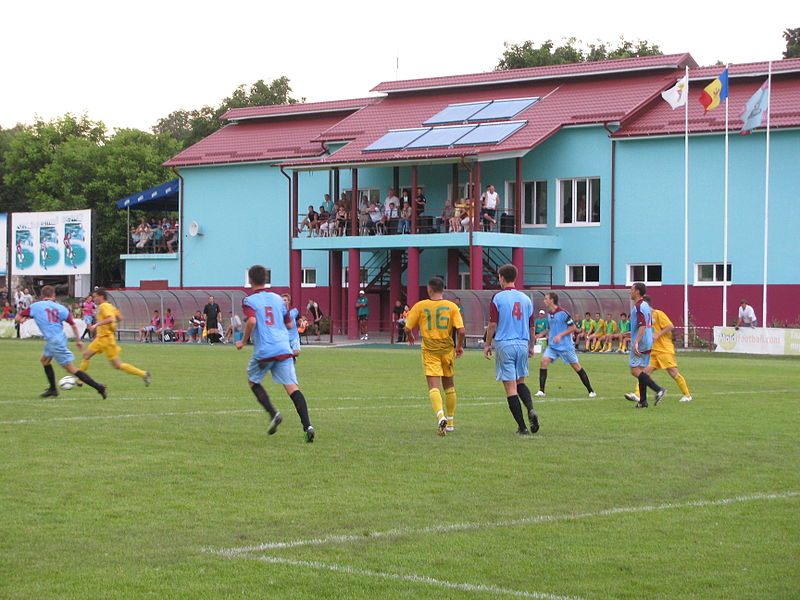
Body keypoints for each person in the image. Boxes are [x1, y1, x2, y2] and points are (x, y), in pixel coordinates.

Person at [236, 265, 315, 443]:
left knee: (253, 381)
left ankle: (273, 414)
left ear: (250, 280)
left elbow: (252, 321)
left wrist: (243, 341)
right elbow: (288, 325)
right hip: (283, 348)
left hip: (265, 350)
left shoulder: (249, 301)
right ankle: (307, 426)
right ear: (266, 279)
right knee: (293, 388)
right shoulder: (279, 300)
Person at [15, 285, 107, 398]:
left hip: (54, 341)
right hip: (59, 338)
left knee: (70, 368)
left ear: (42, 295)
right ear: (53, 296)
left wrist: (24, 318)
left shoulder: (35, 306)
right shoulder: (61, 308)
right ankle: (53, 389)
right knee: (44, 361)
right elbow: (72, 324)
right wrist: (78, 340)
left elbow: (18, 318)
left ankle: (99, 387)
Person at [404, 277, 465, 435]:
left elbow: (407, 327)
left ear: (429, 289)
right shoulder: (452, 306)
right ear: (443, 289)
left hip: (430, 349)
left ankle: (440, 416)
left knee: (433, 386)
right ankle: (450, 422)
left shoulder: (421, 306)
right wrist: (458, 347)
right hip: (447, 349)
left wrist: (410, 336)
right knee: (449, 386)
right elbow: (461, 330)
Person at [483, 265, 538, 435]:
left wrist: (487, 344)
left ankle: (522, 427)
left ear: (501, 277)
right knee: (520, 382)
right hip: (522, 343)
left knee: (510, 388)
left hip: (505, 344)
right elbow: (532, 326)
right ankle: (530, 408)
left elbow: (493, 324)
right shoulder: (526, 299)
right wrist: (531, 345)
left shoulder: (497, 297)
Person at [625, 296, 693, 404]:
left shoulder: (658, 314)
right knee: (643, 373)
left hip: (664, 350)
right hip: (653, 352)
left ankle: (687, 395)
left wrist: (658, 334)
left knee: (673, 373)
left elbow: (670, 326)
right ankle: (637, 395)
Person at [80, 288, 151, 386]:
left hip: (105, 339)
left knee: (117, 365)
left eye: (95, 296)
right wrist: (111, 326)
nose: (93, 298)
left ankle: (143, 374)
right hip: (103, 338)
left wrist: (97, 325)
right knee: (86, 355)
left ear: (101, 296)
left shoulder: (104, 306)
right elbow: (119, 318)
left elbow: (111, 318)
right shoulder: (110, 306)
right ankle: (79, 380)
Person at [533, 292, 597, 399]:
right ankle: (541, 390)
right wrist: (540, 334)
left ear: (552, 300)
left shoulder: (563, 313)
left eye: (546, 299)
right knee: (543, 362)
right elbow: (549, 328)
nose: (544, 301)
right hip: (553, 346)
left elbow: (573, 328)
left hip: (565, 346)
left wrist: (560, 335)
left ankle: (591, 390)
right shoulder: (549, 314)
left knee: (576, 367)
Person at [625, 283, 666, 408]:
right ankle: (643, 401)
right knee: (641, 370)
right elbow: (644, 325)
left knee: (634, 370)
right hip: (648, 339)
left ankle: (658, 389)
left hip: (641, 341)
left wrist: (636, 341)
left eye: (631, 290)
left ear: (637, 291)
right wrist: (632, 332)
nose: (630, 292)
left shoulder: (638, 307)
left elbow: (642, 325)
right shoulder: (645, 305)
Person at [282, 294, 301, 359]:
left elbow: (299, 319)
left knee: (297, 352)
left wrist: (301, 323)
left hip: (294, 336)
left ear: (288, 301)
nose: (283, 302)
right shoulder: (279, 312)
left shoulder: (294, 310)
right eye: (282, 300)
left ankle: (286, 356)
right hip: (284, 337)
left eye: (285, 300)